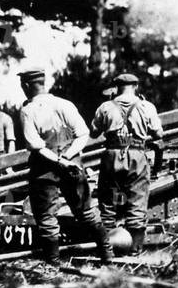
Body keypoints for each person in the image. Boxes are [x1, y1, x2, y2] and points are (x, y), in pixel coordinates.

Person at [18, 67, 112, 266]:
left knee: (46, 217)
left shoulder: (28, 110)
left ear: (26, 86)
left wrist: (59, 161)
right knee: (86, 211)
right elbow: (83, 133)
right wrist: (68, 157)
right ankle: (108, 257)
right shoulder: (64, 104)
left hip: (44, 168)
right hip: (73, 165)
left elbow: (36, 145)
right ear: (43, 83)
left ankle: (53, 265)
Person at [90, 72, 164, 253]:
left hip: (112, 156)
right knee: (137, 201)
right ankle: (135, 249)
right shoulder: (147, 106)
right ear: (136, 86)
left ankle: (107, 250)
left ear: (116, 87)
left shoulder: (105, 106)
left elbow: (93, 132)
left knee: (109, 202)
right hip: (137, 155)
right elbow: (158, 134)